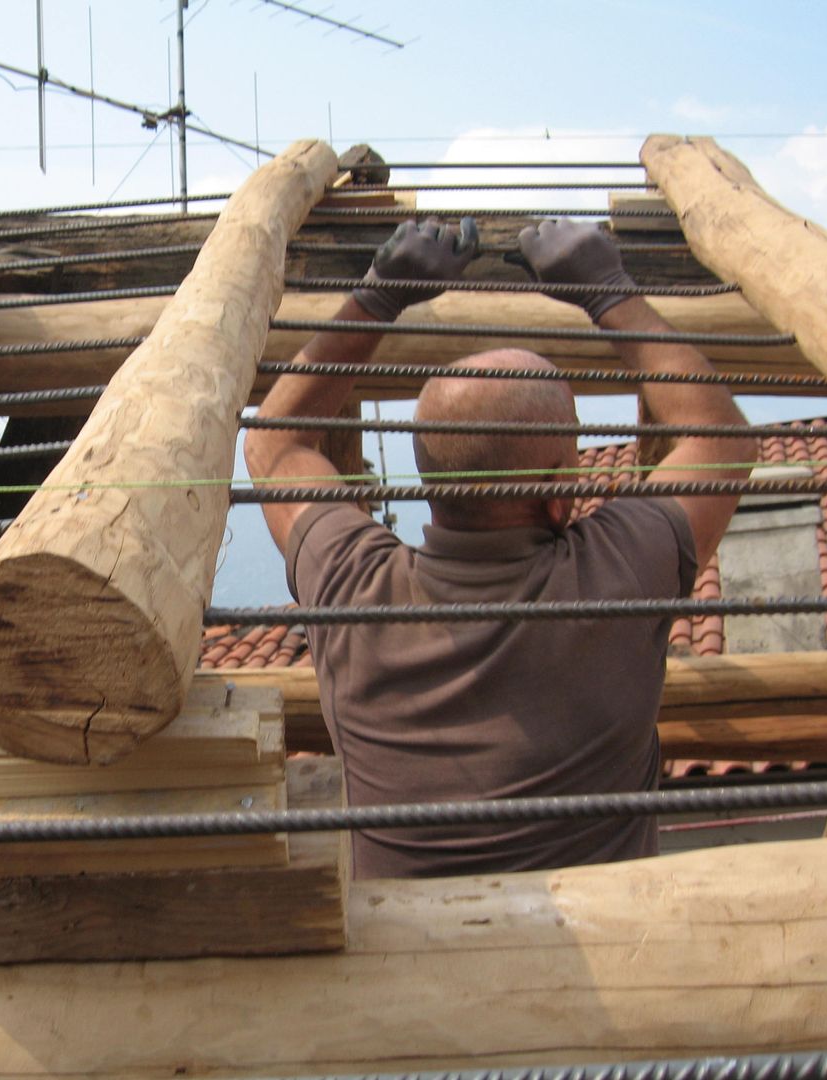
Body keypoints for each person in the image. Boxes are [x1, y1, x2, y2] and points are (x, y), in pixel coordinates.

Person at [243, 216, 757, 879]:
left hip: (405, 964)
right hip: (604, 958)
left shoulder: (350, 581)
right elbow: (722, 440)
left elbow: (273, 443)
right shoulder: (617, 573)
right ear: (557, 492)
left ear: (429, 482)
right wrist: (606, 289)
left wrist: (381, 291)